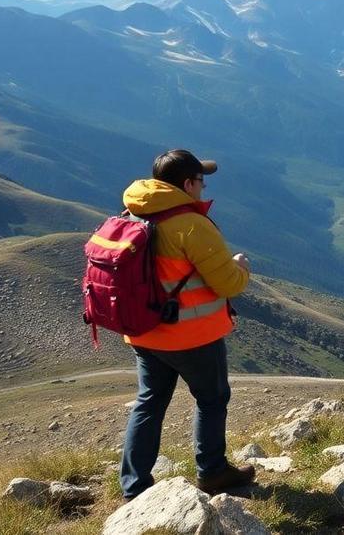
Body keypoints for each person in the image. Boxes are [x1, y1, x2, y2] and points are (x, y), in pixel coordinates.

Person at [119, 149, 255, 500]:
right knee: (212, 399)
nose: (204, 188)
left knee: (149, 402)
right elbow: (228, 284)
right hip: (191, 336)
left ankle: (134, 488)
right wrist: (240, 266)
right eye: (201, 182)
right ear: (187, 184)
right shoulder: (192, 225)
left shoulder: (133, 213)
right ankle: (212, 472)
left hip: (145, 332)